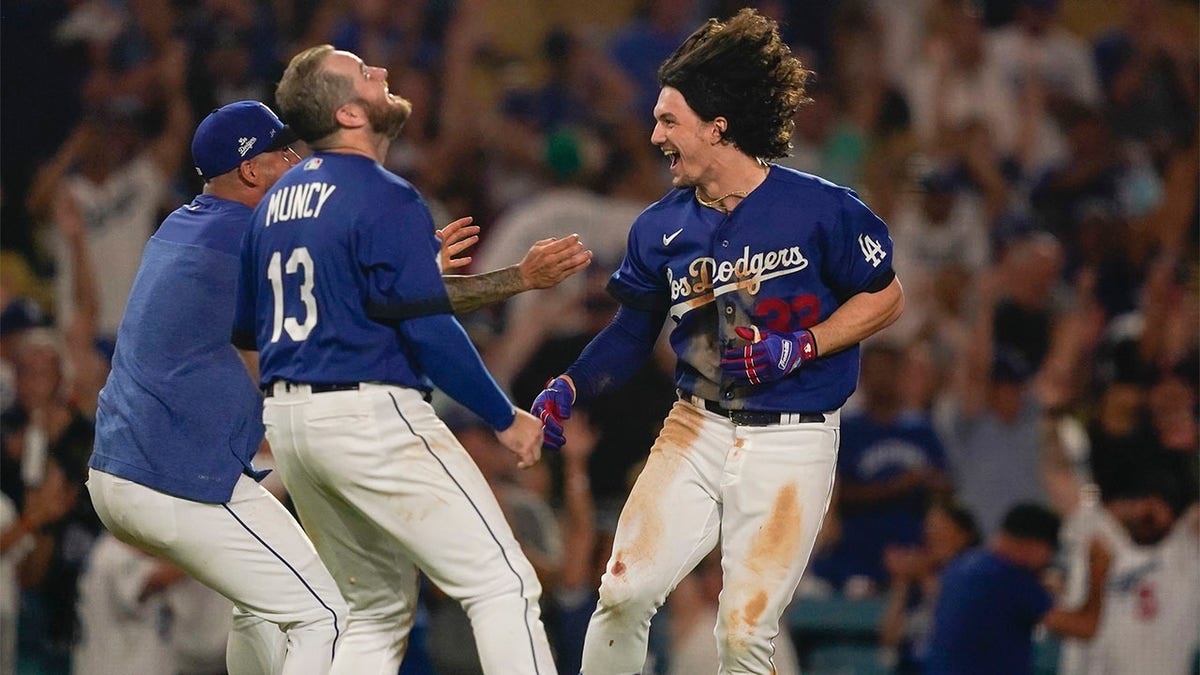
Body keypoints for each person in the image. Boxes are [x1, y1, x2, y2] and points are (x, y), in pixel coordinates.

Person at [532, 9, 906, 673]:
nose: (654, 136)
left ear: (718, 125)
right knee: (621, 590)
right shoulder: (658, 228)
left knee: (742, 630)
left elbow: (886, 295)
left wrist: (805, 344)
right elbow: (629, 332)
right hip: (696, 425)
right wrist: (572, 383)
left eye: (669, 120)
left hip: (792, 433)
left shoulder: (821, 208)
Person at [234, 45, 591, 675]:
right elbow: (429, 330)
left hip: (294, 424)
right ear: (348, 113)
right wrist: (503, 416)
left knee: (372, 612)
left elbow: (248, 326)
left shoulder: (275, 202)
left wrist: (398, 276)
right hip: (371, 415)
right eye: (363, 74)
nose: (382, 74)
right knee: (503, 583)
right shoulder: (384, 195)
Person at [86, 101, 349, 675]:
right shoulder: (246, 234)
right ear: (251, 172)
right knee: (322, 618)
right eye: (283, 152)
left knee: (264, 607)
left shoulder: (188, 222)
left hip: (136, 469)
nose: (298, 159)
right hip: (170, 476)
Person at [925, 503, 1111, 675]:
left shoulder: (961, 567)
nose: (1047, 562)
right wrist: (1098, 574)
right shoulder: (1010, 577)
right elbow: (1084, 628)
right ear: (1033, 546)